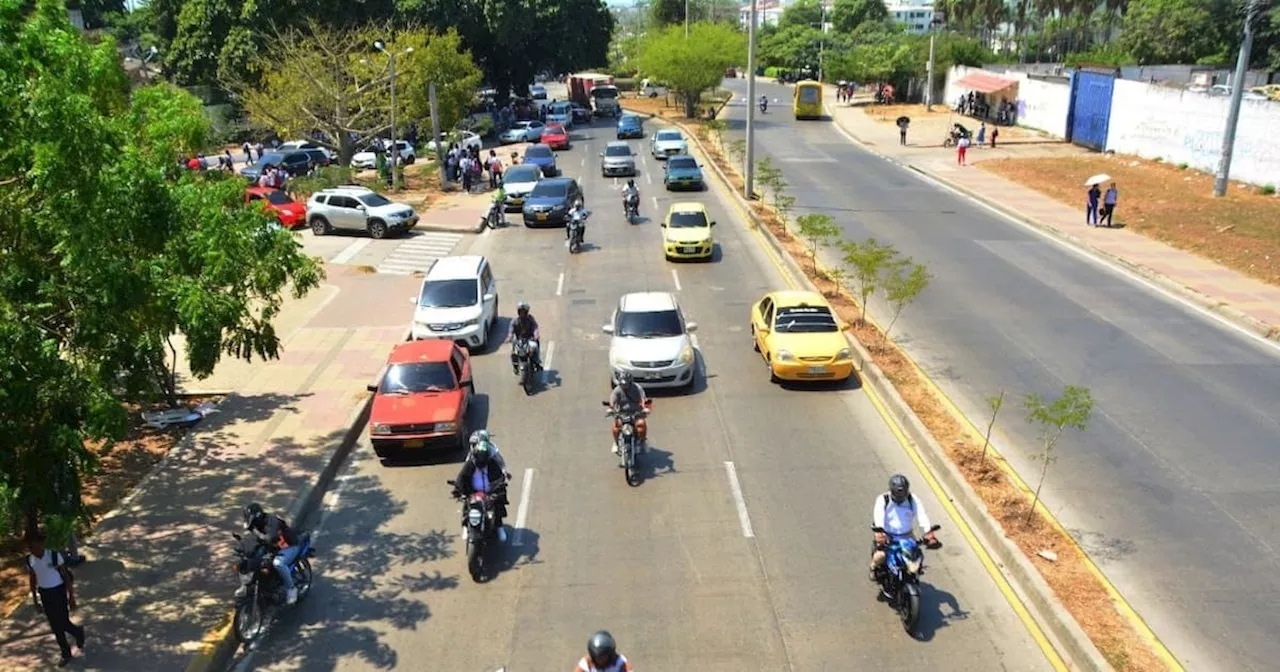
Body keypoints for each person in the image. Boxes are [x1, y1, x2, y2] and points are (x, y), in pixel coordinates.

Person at [26, 530, 85, 667]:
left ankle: (77, 632)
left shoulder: (53, 556)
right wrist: (35, 600)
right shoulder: (30, 560)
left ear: (41, 544)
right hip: (45, 594)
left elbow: (65, 576)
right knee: (55, 626)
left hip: (58, 592)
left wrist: (71, 596)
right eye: (29, 547)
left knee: (63, 622)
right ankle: (65, 653)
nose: (31, 549)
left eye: (33, 546)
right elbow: (32, 579)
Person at [869, 474, 938, 582]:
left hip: (907, 536)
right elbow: (878, 516)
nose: (900, 498)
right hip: (887, 535)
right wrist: (880, 532)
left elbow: (922, 515)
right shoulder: (883, 499)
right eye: (897, 494)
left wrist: (928, 532)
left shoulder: (912, 499)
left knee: (916, 557)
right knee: (880, 556)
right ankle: (873, 568)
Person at [243, 502, 302, 605]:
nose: (252, 526)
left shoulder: (272, 521)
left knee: (278, 563)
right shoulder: (257, 524)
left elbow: (270, 538)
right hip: (273, 548)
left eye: (252, 522)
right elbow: (254, 541)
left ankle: (291, 589)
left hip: (289, 546)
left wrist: (256, 532)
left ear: (258, 516)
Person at [453, 441, 508, 542]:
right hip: (473, 493)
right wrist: (461, 491)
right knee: (466, 506)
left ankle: (499, 527)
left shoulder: (493, 465)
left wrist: (496, 492)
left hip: (490, 494)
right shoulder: (470, 464)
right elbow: (461, 478)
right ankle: (465, 526)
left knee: (498, 505)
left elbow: (499, 480)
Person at [607, 371, 648, 455]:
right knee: (616, 426)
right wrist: (611, 408)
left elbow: (642, 398)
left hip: (636, 413)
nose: (624, 386)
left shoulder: (637, 388)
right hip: (622, 413)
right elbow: (613, 398)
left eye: (626, 383)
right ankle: (616, 443)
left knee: (641, 424)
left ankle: (643, 442)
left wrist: (644, 407)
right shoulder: (617, 390)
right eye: (622, 384)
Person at [506, 301, 542, 373]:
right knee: (513, 352)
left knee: (535, 347)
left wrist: (536, 335)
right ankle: (515, 366)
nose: (522, 313)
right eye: (520, 311)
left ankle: (537, 362)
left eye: (524, 312)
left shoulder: (531, 319)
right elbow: (511, 330)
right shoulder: (515, 321)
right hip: (519, 340)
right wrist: (509, 337)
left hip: (530, 339)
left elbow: (535, 328)